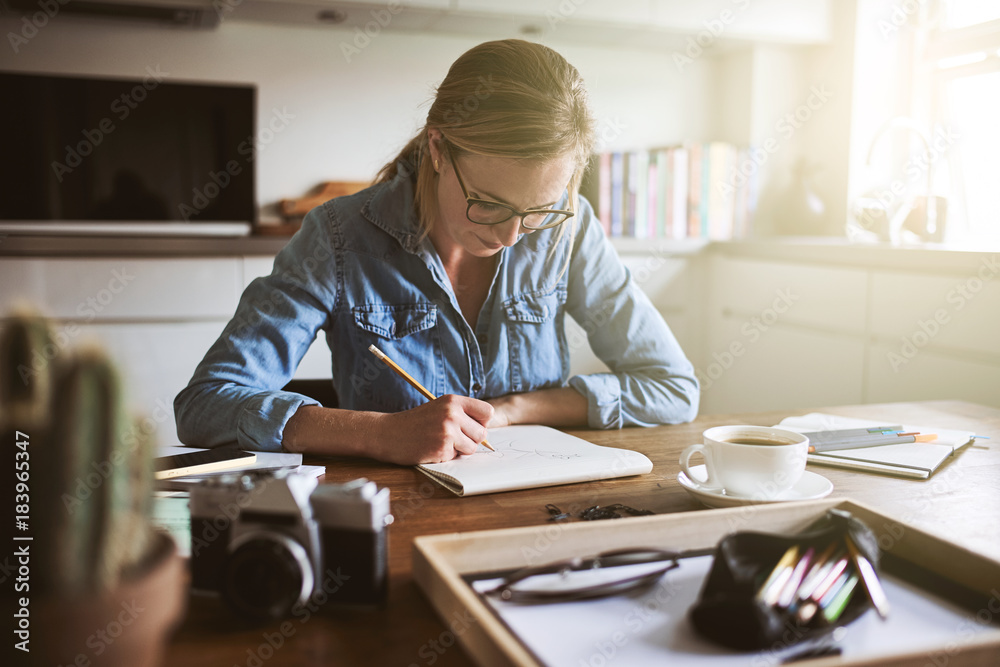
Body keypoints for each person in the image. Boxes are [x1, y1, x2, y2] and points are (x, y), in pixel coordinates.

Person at [174, 39, 698, 465]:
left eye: (540, 209)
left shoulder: (571, 228)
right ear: (437, 148)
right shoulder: (337, 235)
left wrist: (514, 410)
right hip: (396, 516)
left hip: (537, 511)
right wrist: (379, 434)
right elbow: (205, 404)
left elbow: (672, 387)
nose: (514, 236)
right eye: (488, 204)